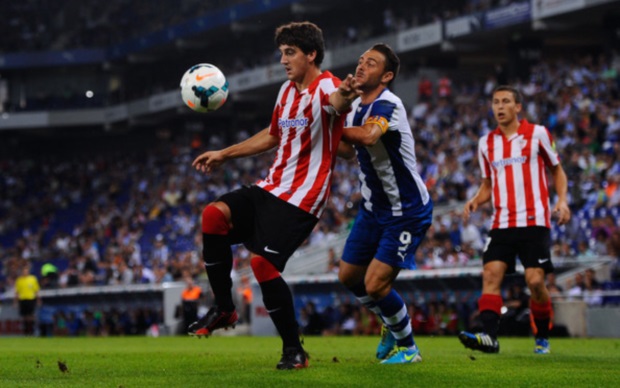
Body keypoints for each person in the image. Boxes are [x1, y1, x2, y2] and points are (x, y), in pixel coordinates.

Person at [188, 21, 358, 370]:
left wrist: (348, 96)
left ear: (311, 54)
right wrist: (225, 153)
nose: (283, 60)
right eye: (281, 53)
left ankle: (294, 350)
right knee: (213, 215)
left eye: (290, 52)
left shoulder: (328, 86)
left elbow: (336, 101)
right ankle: (224, 307)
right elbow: (272, 136)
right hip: (270, 188)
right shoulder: (285, 91)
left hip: (302, 199)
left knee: (262, 264)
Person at [337, 43, 433, 364]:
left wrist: (329, 123)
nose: (362, 66)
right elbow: (348, 151)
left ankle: (409, 350)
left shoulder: (389, 104)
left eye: (372, 63)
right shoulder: (354, 108)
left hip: (405, 211)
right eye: (361, 60)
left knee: (376, 284)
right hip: (371, 208)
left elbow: (367, 137)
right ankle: (391, 322)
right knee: (349, 276)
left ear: (387, 75)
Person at [458, 85, 571, 355]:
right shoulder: (486, 143)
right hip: (502, 223)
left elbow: (557, 170)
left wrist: (563, 200)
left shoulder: (538, 134)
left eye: (506, 101)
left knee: (534, 282)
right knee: (491, 274)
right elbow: (488, 183)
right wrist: (476, 199)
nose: (499, 106)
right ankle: (489, 337)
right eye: (496, 102)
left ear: (518, 107)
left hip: (534, 221)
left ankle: (542, 336)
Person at [14, 263, 42, 335]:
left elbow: (36, 290)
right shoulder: (19, 280)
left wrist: (38, 299)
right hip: (23, 299)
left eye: (26, 271)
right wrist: (15, 302)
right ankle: (26, 331)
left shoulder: (33, 279)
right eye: (24, 271)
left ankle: (31, 330)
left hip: (31, 298)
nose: (25, 272)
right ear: (22, 272)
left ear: (28, 271)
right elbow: (17, 292)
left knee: (31, 315)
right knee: (24, 316)